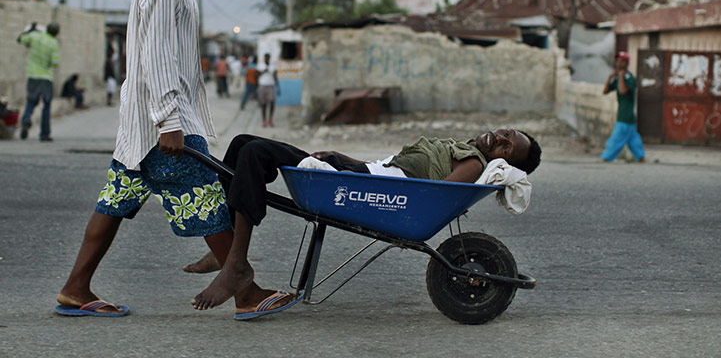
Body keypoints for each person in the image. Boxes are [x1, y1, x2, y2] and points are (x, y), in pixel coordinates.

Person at [55, 0, 287, 320]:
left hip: (140, 128)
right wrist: (170, 121)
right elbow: (158, 56)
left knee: (114, 203)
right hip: (163, 123)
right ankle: (246, 289)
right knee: (203, 196)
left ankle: (75, 287)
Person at [188, 128, 542, 313]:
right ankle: (228, 246)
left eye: (508, 148)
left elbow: (432, 196)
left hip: (369, 188)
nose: (501, 139)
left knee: (251, 153)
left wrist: (354, 170)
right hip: (360, 175)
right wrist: (346, 159)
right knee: (242, 144)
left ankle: (235, 264)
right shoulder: (459, 147)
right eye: (507, 133)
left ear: (508, 163)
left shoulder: (474, 163)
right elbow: (391, 168)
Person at [17, 22, 60, 142]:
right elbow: (55, 62)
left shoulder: (35, 36)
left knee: (31, 101)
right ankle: (44, 134)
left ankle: (26, 119)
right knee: (46, 106)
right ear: (56, 33)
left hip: (32, 75)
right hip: (46, 77)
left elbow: (20, 39)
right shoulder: (53, 43)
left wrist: (30, 30)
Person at [601, 51, 645, 163]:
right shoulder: (616, 78)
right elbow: (605, 91)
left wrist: (620, 76)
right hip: (626, 116)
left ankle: (606, 157)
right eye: (618, 61)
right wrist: (610, 77)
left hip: (625, 116)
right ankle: (641, 157)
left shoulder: (629, 77)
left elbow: (622, 91)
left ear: (626, 63)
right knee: (633, 140)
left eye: (621, 61)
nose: (618, 63)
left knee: (616, 139)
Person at [257, 53, 280, 127]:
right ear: (264, 58)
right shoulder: (260, 66)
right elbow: (257, 75)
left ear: (269, 58)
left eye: (267, 58)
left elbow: (276, 77)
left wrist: (278, 87)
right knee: (263, 104)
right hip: (262, 85)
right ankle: (264, 121)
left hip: (271, 86)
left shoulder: (273, 66)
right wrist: (264, 71)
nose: (266, 59)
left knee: (272, 102)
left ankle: (270, 119)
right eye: (265, 58)